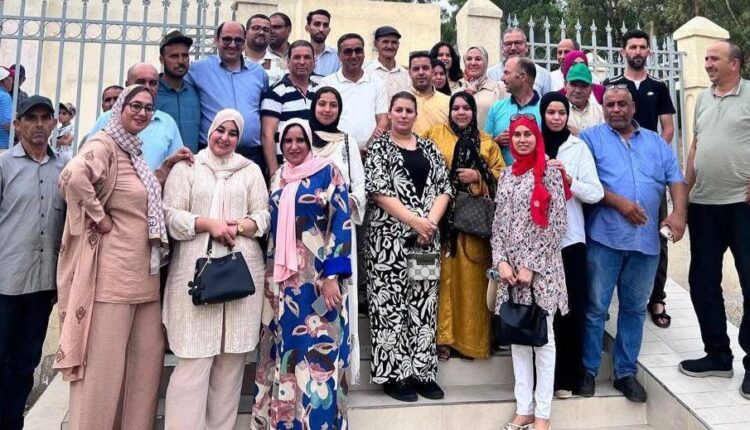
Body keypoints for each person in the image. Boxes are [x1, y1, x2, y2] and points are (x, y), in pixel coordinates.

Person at [56, 85, 170, 429]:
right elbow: (72, 176)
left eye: (148, 108)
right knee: (102, 371)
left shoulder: (133, 151)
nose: (142, 113)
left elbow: (138, 196)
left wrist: (167, 167)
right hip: (112, 277)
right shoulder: (103, 144)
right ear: (119, 108)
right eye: (135, 105)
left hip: (145, 275)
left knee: (144, 366)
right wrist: (99, 216)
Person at [161, 109, 269, 429]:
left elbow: (263, 216)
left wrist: (240, 226)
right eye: (220, 130)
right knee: (193, 363)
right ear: (210, 131)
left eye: (233, 133)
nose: (225, 138)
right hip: (195, 272)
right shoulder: (188, 167)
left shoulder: (250, 170)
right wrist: (207, 223)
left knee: (231, 365)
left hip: (240, 272)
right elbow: (170, 215)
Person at [578, 87, 686, 403]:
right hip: (605, 238)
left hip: (646, 242)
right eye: (609, 104)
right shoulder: (591, 139)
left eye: (621, 104)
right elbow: (583, 181)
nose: (615, 109)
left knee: (634, 309)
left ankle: (625, 373)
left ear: (633, 106)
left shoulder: (655, 142)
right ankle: (587, 370)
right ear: (603, 108)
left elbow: (676, 180)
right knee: (596, 307)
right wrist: (618, 202)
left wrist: (679, 214)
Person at [251, 119, 352, 429]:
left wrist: (332, 277)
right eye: (288, 141)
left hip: (317, 281)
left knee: (318, 352)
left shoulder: (328, 173)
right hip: (280, 284)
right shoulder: (278, 177)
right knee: (283, 352)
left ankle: (318, 423)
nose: (294, 146)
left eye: (300, 140)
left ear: (309, 143)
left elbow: (341, 222)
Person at [365, 91, 452, 402]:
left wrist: (429, 224)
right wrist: (416, 221)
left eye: (408, 110)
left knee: (423, 304)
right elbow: (377, 191)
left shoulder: (429, 148)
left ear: (416, 114)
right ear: (389, 113)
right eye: (398, 110)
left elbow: (444, 188)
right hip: (387, 243)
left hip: (424, 242)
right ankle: (395, 375)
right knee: (390, 307)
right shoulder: (379, 148)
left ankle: (422, 372)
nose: (403, 115)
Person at [680, 40, 750, 399]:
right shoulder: (703, 99)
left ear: (734, 64)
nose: (707, 63)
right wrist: (683, 197)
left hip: (742, 205)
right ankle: (718, 355)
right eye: (706, 58)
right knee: (702, 281)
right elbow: (696, 146)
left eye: (714, 58)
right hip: (704, 205)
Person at [490, 116, 567, 430]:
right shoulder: (506, 175)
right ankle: (524, 409)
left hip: (541, 272)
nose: (522, 140)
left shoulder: (549, 172)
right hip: (510, 274)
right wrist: (501, 262)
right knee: (518, 341)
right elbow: (498, 223)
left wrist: (531, 266)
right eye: (517, 135)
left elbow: (557, 224)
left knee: (543, 343)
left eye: (528, 134)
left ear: (537, 137)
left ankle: (543, 416)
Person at [604, 29, 677, 330]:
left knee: (658, 233)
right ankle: (617, 295)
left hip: (650, 175)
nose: (637, 51)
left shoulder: (658, 87)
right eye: (632, 46)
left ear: (649, 52)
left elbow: (668, 127)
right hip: (618, 174)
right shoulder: (611, 86)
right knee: (614, 232)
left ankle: (657, 297)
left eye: (642, 47)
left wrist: (654, 158)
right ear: (623, 52)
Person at [0, 95, 65, 430]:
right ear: (18, 125)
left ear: (53, 123)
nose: (39, 125)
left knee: (25, 363)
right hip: (5, 283)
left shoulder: (64, 169)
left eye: (44, 118)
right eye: (31, 118)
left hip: (42, 285)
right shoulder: (4, 165)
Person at [424, 91, 504, 361]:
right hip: (439, 224)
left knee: (471, 285)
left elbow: (501, 177)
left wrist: (478, 176)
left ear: (473, 112)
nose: (461, 112)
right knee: (439, 282)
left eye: (466, 108)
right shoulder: (435, 134)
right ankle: (442, 340)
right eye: (456, 108)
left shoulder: (487, 142)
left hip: (473, 228)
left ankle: (470, 344)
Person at [539, 92, 604, 399]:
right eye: (550, 112)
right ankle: (541, 378)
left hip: (570, 239)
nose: (556, 118)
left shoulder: (578, 148)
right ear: (542, 114)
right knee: (541, 310)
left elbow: (596, 192)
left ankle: (567, 378)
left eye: (561, 113)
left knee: (570, 309)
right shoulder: (531, 144)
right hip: (537, 242)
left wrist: (569, 181)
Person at [308, 87, 367, 383]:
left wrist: (339, 204)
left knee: (337, 293)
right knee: (311, 294)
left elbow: (360, 187)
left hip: (340, 234)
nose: (327, 109)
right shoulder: (302, 138)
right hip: (307, 237)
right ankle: (310, 361)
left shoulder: (346, 142)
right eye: (322, 103)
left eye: (333, 105)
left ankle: (339, 369)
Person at [186, 21, 268, 171]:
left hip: (252, 154)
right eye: (227, 39)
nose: (232, 44)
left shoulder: (258, 73)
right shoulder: (198, 69)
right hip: (213, 153)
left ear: (244, 43)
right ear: (216, 40)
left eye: (238, 40)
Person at [88, 63, 188, 172]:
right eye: (140, 82)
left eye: (153, 83)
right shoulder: (107, 118)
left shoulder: (167, 123)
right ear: (127, 85)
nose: (147, 87)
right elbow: (88, 162)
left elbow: (177, 167)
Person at [320, 33, 388, 152]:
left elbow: (383, 120)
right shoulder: (327, 83)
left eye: (358, 51)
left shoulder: (377, 83)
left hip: (371, 152)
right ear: (339, 56)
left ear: (364, 53)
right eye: (348, 52)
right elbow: (323, 119)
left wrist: (368, 147)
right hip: (337, 151)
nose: (354, 55)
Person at [261, 40, 318, 176]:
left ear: (314, 62)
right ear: (288, 61)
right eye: (297, 57)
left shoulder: (319, 91)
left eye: (307, 57)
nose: (302, 62)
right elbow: (267, 135)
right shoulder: (275, 93)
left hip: (315, 168)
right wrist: (275, 173)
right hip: (286, 170)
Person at [485, 56, 541, 166]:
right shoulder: (497, 108)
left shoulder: (546, 109)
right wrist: (497, 141)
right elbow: (484, 147)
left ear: (522, 76)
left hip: (537, 175)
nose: (502, 78)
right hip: (502, 175)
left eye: (506, 73)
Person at [157, 30, 201, 153]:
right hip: (160, 163)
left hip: (192, 162)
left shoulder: (196, 92)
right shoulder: (152, 93)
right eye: (174, 56)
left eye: (185, 55)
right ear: (162, 59)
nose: (181, 61)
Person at [487, 27, 552, 96]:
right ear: (502, 48)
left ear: (526, 47)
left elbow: (547, 101)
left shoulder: (543, 74)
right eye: (508, 44)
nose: (513, 48)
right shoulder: (490, 74)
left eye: (518, 43)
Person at [459, 46, 506, 130]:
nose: (473, 63)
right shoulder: (457, 92)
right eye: (469, 59)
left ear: (485, 62)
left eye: (478, 59)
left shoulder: (499, 89)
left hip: (490, 137)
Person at [408, 52, 450, 136]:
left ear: (433, 71)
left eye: (425, 68)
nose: (421, 72)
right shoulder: (401, 101)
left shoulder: (448, 101)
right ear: (409, 73)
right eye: (416, 69)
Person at [364, 26, 411, 99]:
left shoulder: (406, 75)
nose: (390, 46)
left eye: (394, 42)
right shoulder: (366, 72)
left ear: (398, 45)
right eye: (385, 42)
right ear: (376, 44)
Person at [244, 14, 285, 85]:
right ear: (246, 32)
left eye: (266, 30)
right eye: (256, 28)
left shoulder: (280, 64)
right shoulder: (235, 60)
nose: (261, 32)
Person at [564, 63, 604, 135]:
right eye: (574, 85)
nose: (578, 90)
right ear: (565, 85)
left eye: (583, 86)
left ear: (591, 89)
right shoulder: (557, 110)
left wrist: (579, 134)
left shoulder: (600, 112)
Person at [305, 9, 341, 77]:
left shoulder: (337, 57)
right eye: (317, 24)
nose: (321, 29)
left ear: (329, 30)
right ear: (307, 28)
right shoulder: (298, 55)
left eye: (325, 25)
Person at [0, 67, 13, 150]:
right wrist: (21, 133)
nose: (12, 82)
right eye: (11, 79)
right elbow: (6, 123)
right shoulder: (4, 96)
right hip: (2, 146)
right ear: (5, 80)